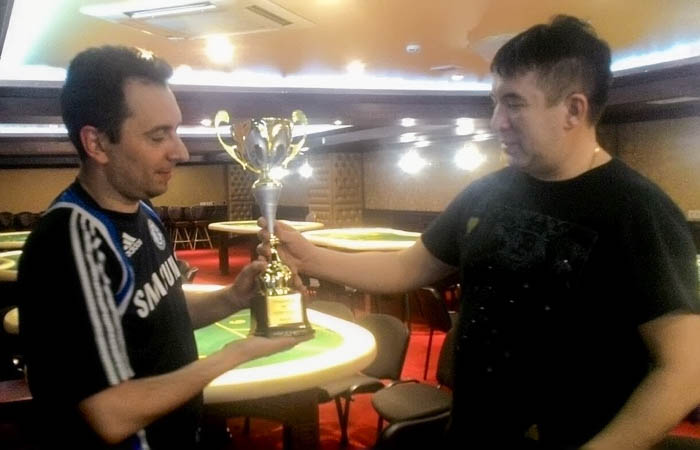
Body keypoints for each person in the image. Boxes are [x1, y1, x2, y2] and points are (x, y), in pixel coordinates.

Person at [259, 16, 700, 449]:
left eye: (514, 103)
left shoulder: (637, 209)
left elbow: (685, 368)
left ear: (573, 109)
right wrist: (309, 257)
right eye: (495, 102)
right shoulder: (487, 193)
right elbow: (406, 267)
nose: (496, 121)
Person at [17, 46, 306, 449]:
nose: (181, 151)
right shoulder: (69, 242)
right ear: (96, 144)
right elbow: (110, 414)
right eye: (158, 136)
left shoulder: (144, 212)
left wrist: (233, 297)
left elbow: (156, 313)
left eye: (176, 131)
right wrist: (235, 354)